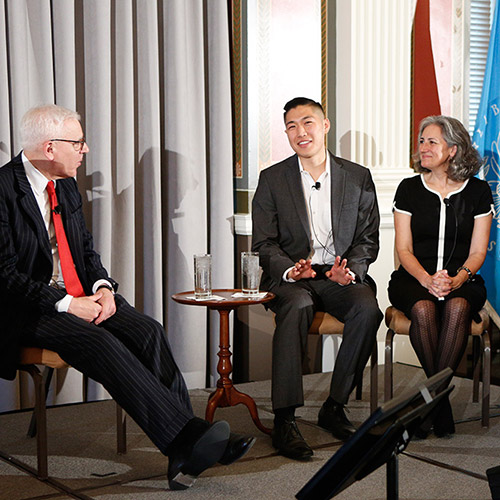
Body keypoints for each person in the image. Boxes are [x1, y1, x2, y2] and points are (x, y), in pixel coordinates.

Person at [0, 104, 255, 490]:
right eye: (78, 143)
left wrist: (103, 287)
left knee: (148, 330)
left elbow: (85, 251)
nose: (85, 150)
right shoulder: (3, 189)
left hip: (79, 294)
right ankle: (187, 440)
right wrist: (68, 303)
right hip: (28, 309)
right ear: (50, 148)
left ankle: (185, 445)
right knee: (100, 343)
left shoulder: (64, 183)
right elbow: (4, 276)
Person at [251, 97, 383, 460]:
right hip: (294, 277)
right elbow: (263, 242)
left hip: (338, 273)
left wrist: (352, 271)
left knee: (367, 309)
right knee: (297, 304)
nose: (300, 132)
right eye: (292, 126)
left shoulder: (357, 177)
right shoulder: (272, 179)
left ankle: (335, 405)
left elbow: (367, 238)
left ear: (324, 126)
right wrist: (291, 270)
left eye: (307, 122)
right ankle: (285, 418)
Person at [388, 115, 493, 438]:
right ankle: (440, 404)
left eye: (432, 141)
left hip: (463, 280)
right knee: (423, 309)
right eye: (421, 141)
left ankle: (428, 403)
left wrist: (456, 279)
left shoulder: (477, 191)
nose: (423, 148)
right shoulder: (408, 189)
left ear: (453, 149)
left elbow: (478, 253)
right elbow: (404, 250)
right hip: (413, 278)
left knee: (459, 307)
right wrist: (427, 280)